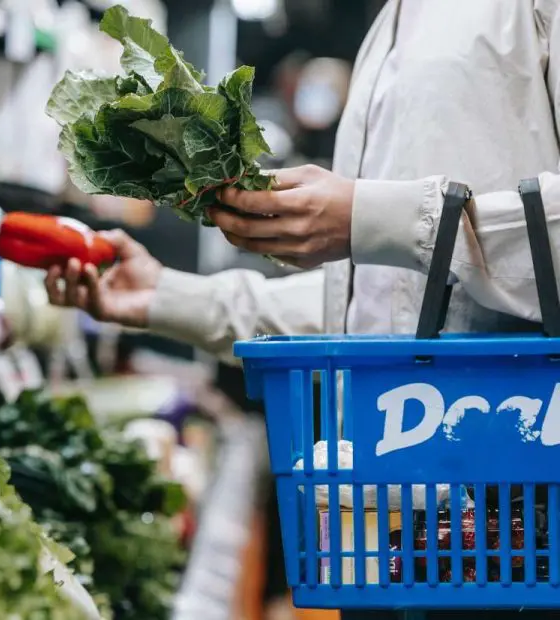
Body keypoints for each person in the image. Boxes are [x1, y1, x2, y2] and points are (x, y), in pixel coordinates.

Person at [47, 1, 560, 618]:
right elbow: (389, 308)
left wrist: (371, 218)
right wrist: (167, 295)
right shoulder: (396, 22)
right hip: (419, 546)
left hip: (526, 538)